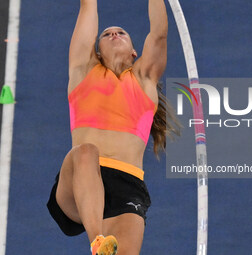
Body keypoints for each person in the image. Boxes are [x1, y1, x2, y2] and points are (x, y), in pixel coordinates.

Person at [47, 0, 180, 254]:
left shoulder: (145, 80)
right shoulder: (83, 70)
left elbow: (159, 33)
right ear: (97, 51)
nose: (114, 34)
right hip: (78, 182)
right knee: (86, 151)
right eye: (107, 34)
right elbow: (88, 6)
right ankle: (97, 241)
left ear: (134, 52)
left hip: (127, 186)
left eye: (121, 33)